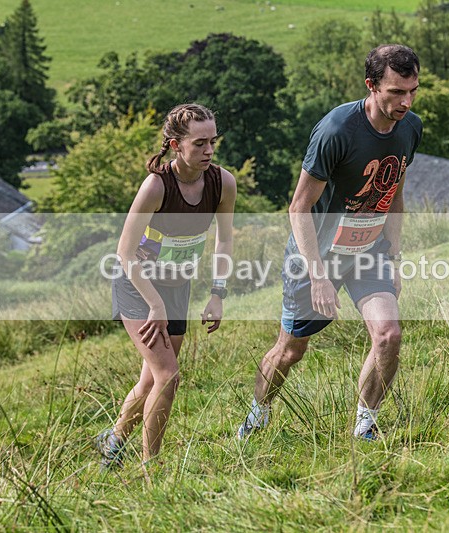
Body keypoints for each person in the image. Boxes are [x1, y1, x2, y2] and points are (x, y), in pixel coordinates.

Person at [236, 44, 423, 441]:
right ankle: (257, 415)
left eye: (412, 91)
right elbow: (298, 207)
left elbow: (396, 191)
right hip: (316, 255)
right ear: (371, 86)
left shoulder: (411, 128)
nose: (405, 102)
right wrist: (318, 276)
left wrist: (394, 255)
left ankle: (365, 425)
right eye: (395, 92)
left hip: (369, 250)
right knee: (291, 350)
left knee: (388, 334)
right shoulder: (337, 130)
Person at [96, 103, 236, 467]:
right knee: (168, 376)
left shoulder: (223, 183)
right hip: (138, 287)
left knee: (150, 381)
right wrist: (154, 305)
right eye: (199, 144)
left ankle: (113, 441)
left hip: (176, 287)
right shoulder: (156, 187)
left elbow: (224, 241)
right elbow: (124, 253)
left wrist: (218, 293)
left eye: (212, 142)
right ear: (176, 145)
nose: (208, 151)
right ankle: (150, 469)